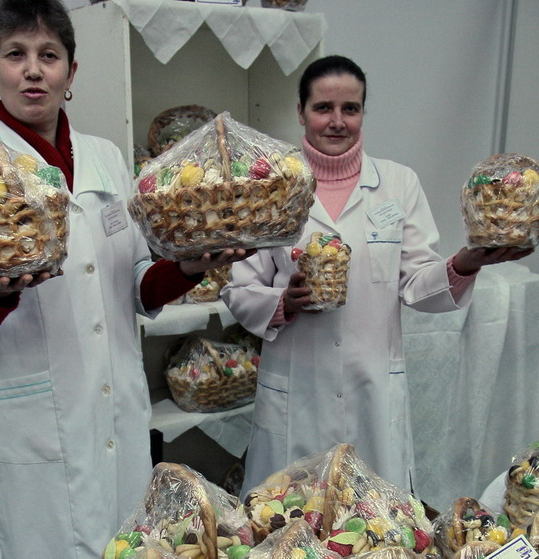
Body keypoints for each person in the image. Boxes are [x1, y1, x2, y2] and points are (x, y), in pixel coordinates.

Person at [0, 1, 253, 557]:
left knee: (129, 542)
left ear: (71, 71)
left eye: (49, 55)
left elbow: (137, 280)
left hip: (116, 411)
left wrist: (189, 266)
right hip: (36, 420)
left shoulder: (105, 157)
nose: (32, 70)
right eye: (14, 54)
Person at [220, 55, 533, 498]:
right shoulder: (270, 188)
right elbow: (239, 288)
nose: (337, 121)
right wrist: (283, 301)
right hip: (297, 393)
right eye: (323, 108)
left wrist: (466, 262)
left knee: (375, 519)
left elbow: (417, 284)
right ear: (301, 112)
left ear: (363, 112)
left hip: (372, 391)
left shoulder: (398, 184)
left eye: (350, 108)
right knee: (287, 516)